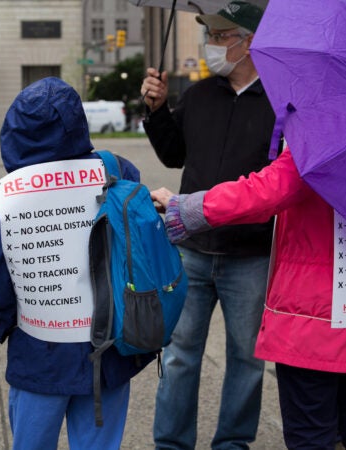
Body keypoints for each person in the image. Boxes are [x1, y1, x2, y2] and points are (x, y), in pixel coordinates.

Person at [149, 145, 346, 449]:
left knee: (311, 436)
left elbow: (266, 191)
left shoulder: (325, 134)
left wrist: (187, 208)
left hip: (314, 319)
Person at [0, 77, 155, 449]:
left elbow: (1, 270)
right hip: (111, 345)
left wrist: (1, 322)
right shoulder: (117, 170)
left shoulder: (16, 193)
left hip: (40, 351)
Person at [139, 2, 275, 448]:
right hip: (190, 248)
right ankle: (172, 443)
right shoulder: (198, 95)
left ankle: (233, 442)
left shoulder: (277, 101)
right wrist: (157, 111)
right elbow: (175, 154)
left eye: (218, 37)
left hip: (250, 256)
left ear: (248, 42)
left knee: (247, 358)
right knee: (179, 355)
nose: (210, 46)